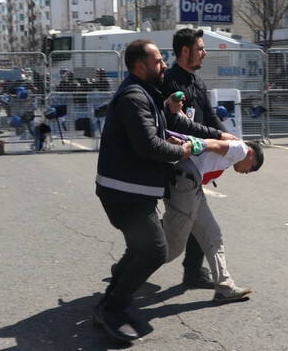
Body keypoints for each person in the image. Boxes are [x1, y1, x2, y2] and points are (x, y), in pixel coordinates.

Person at [93, 39, 224, 342]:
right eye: (158, 62)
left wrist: (170, 118)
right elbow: (149, 145)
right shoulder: (133, 97)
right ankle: (112, 306)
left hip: (130, 191)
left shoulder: (145, 95)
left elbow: (157, 128)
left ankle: (109, 302)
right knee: (154, 251)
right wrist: (184, 151)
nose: (164, 65)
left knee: (141, 248)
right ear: (141, 67)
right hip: (123, 193)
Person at [161, 27, 240, 290]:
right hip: (175, 162)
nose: (205, 53)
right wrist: (219, 137)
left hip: (197, 161)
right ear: (185, 51)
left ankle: (193, 271)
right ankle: (135, 262)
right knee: (180, 226)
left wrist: (230, 138)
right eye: (200, 48)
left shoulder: (197, 81)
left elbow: (209, 117)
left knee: (191, 216)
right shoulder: (169, 82)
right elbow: (181, 127)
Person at [162, 132, 264, 302]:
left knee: (212, 234)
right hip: (186, 182)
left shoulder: (235, 151)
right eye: (252, 167)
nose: (248, 172)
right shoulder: (241, 149)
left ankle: (225, 287)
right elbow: (213, 145)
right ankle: (128, 269)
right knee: (173, 249)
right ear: (250, 155)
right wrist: (191, 143)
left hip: (192, 185)